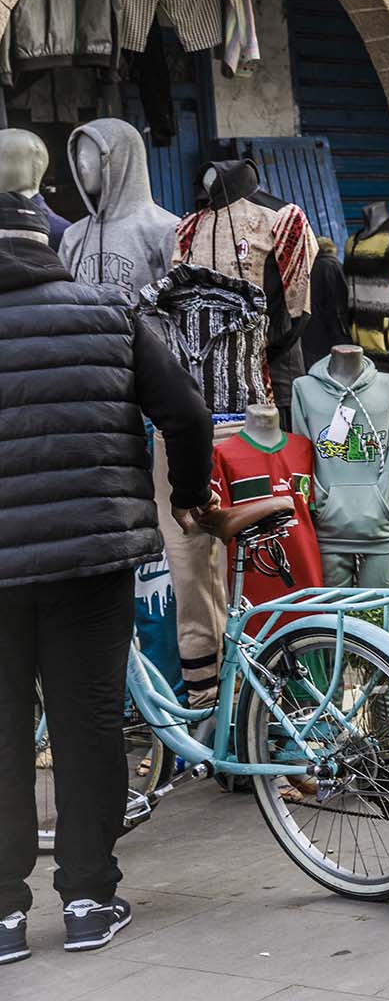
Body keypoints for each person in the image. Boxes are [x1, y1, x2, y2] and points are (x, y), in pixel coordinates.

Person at [0, 192, 214, 964]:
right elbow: (187, 416)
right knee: (89, 722)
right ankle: (89, 898)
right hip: (91, 561)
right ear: (46, 242)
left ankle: (3, 916)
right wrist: (188, 498)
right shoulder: (109, 313)